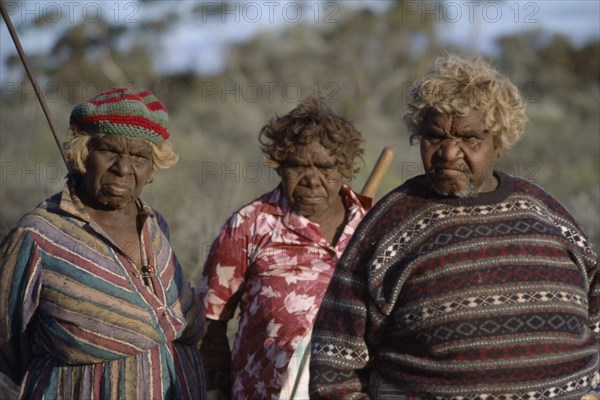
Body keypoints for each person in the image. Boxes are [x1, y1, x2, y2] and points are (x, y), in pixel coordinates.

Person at [309, 55, 599, 399]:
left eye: (468, 138)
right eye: (434, 137)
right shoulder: (389, 224)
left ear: (499, 143)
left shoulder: (545, 213)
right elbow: (334, 361)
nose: (448, 152)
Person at [0, 87, 207, 399]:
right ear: (83, 154)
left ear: (153, 166)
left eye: (138, 156)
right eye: (108, 152)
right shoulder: (39, 235)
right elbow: (7, 342)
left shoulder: (155, 226)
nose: (123, 169)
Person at [198, 97, 372, 400]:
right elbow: (210, 322)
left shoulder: (372, 228)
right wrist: (217, 389)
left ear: (344, 168)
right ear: (280, 167)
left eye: (325, 167)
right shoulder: (250, 224)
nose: (311, 180)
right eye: (297, 166)